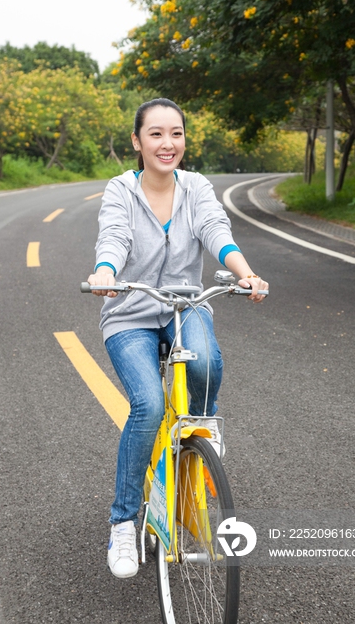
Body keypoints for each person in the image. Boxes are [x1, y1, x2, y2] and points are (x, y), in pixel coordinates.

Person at [87, 98, 268, 579]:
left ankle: (199, 434)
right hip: (130, 311)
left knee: (207, 362)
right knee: (147, 404)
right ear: (137, 142)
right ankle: (124, 521)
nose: (168, 144)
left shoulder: (197, 187)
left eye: (177, 134)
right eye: (156, 134)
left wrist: (245, 273)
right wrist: (106, 270)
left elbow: (215, 230)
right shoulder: (120, 190)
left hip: (185, 304)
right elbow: (115, 237)